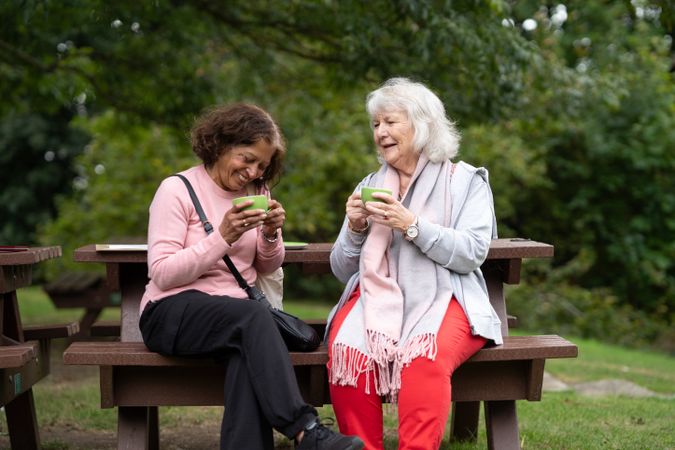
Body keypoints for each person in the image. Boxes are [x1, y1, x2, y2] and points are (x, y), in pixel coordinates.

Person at [139, 103, 364, 450]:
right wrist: (222, 237)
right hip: (170, 312)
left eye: (261, 165)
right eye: (246, 158)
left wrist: (272, 235)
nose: (252, 171)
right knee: (250, 318)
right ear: (220, 144)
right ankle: (305, 430)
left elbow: (266, 267)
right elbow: (163, 273)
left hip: (236, 319)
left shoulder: (257, 192)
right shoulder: (177, 190)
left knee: (245, 354)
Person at [326, 78, 503, 450]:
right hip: (377, 298)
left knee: (423, 359)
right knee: (348, 353)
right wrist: (356, 227)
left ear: (421, 125)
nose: (380, 133)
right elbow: (343, 269)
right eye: (376, 124)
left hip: (446, 296)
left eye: (390, 122)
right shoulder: (371, 184)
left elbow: (472, 252)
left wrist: (411, 226)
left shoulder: (465, 181)